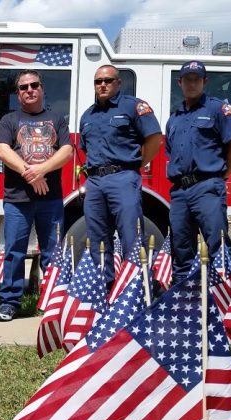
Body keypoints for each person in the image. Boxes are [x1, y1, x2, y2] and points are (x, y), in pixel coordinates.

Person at [0, 69, 72, 321]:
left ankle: (52, 302)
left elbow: (67, 151)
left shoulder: (57, 119)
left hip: (50, 199)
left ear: (42, 88)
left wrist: (41, 170)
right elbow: (3, 150)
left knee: (52, 252)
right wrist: (30, 173)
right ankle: (9, 303)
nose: (29, 90)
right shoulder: (9, 119)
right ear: (18, 94)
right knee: (14, 251)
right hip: (17, 199)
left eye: (34, 85)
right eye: (23, 87)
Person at [79, 65, 162, 290]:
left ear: (118, 83)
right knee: (97, 239)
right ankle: (102, 290)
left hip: (123, 178)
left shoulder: (134, 106)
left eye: (108, 80)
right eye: (98, 81)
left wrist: (136, 165)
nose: (102, 85)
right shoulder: (88, 115)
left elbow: (154, 139)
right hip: (95, 182)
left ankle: (137, 289)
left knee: (131, 237)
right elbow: (86, 148)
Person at [165, 60, 231, 280]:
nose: (192, 84)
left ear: (204, 82)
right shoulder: (174, 118)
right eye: (187, 80)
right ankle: (183, 302)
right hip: (179, 192)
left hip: (207, 187)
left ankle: (223, 302)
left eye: (197, 79)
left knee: (217, 245)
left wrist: (224, 175)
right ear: (180, 83)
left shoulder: (218, 109)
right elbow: (170, 151)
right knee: (181, 249)